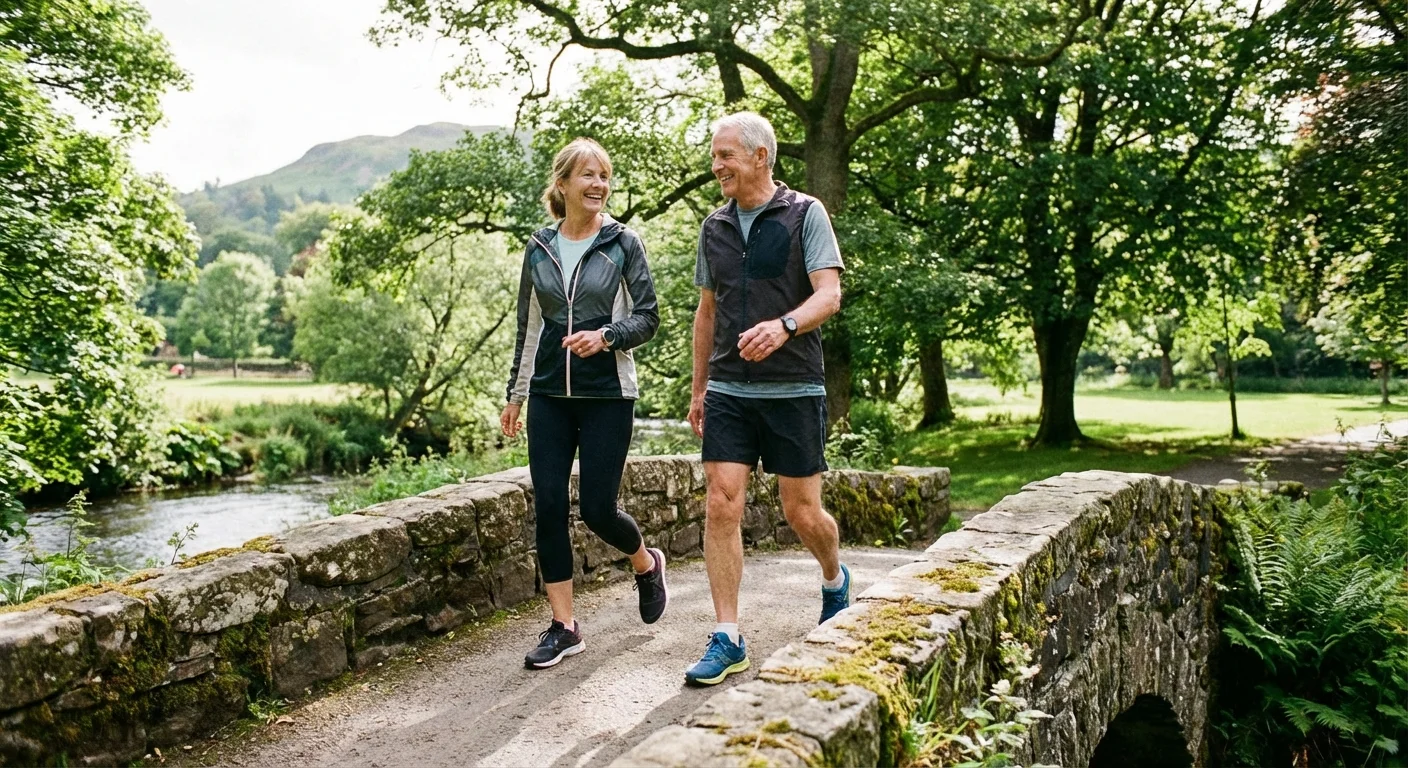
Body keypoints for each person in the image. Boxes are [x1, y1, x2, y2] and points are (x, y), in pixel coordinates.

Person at [683, 112, 848, 686]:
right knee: (721, 503)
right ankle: (727, 635)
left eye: (725, 155)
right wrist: (700, 386)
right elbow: (707, 311)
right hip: (729, 388)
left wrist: (784, 325)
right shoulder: (714, 227)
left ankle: (833, 577)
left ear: (760, 156)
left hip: (794, 387)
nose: (716, 166)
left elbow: (829, 295)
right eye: (714, 156)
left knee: (802, 512)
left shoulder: (806, 213)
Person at [502, 137, 668, 670]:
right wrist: (516, 394)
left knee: (597, 509)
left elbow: (648, 316)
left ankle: (645, 563)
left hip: (606, 395)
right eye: (588, 175)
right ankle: (564, 625)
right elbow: (528, 328)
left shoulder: (624, 244)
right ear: (563, 184)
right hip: (550, 394)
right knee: (548, 505)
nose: (598, 185)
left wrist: (608, 337)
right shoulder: (538, 246)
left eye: (604, 176)